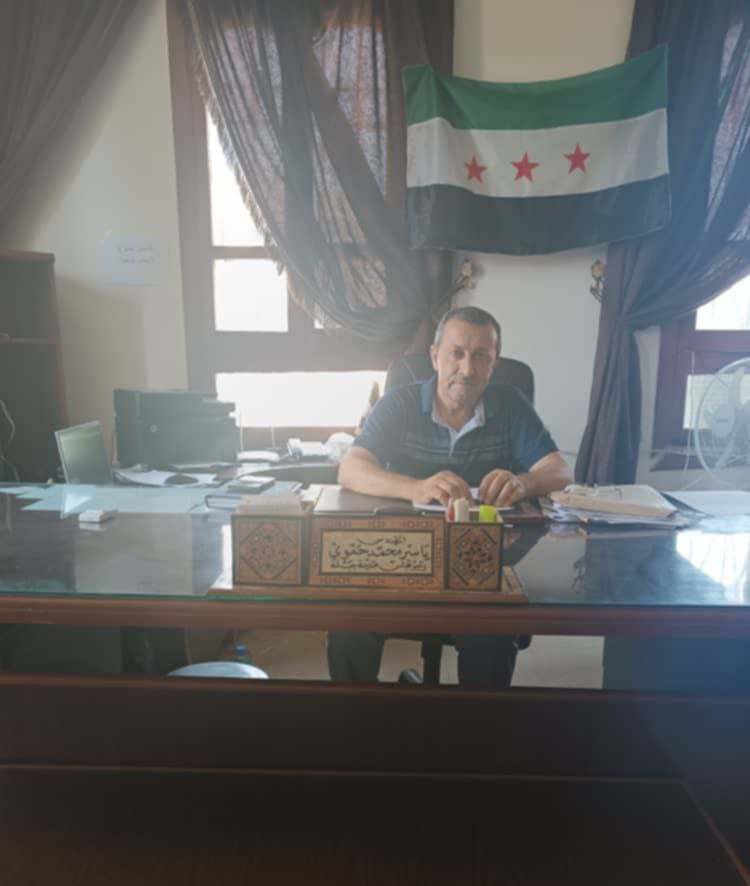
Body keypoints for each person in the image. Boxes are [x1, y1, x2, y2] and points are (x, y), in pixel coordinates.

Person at [328, 305, 573, 688]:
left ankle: (471, 723)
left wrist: (523, 482)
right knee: (348, 621)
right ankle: (355, 716)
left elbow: (560, 472)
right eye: (456, 353)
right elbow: (351, 469)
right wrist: (415, 487)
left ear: (494, 363)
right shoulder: (400, 402)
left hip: (482, 561)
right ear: (434, 356)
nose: (467, 369)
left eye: (480, 356)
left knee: (491, 635)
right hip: (402, 556)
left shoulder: (510, 405)